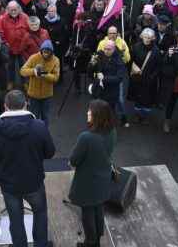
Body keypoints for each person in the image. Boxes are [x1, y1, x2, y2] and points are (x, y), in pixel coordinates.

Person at [0, 90, 56, 247]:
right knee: (40, 214)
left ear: (6, 107)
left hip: (9, 184)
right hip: (34, 182)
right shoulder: (39, 126)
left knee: (16, 219)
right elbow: (50, 153)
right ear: (26, 104)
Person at [68, 99, 116, 247]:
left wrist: (71, 162)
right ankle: (97, 239)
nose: (87, 112)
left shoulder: (86, 137)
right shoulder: (112, 132)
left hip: (87, 182)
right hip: (103, 179)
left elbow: (74, 160)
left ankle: (90, 242)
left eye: (91, 110)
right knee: (98, 207)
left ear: (98, 116)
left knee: (87, 212)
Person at [19, 40, 61, 125]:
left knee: (45, 116)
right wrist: (33, 71)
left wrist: (45, 75)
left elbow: (56, 77)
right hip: (34, 94)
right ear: (41, 51)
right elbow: (22, 71)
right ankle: (34, 134)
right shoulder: (34, 57)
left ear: (51, 52)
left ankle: (44, 134)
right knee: (34, 116)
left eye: (48, 52)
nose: (45, 54)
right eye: (44, 52)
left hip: (47, 95)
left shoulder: (55, 60)